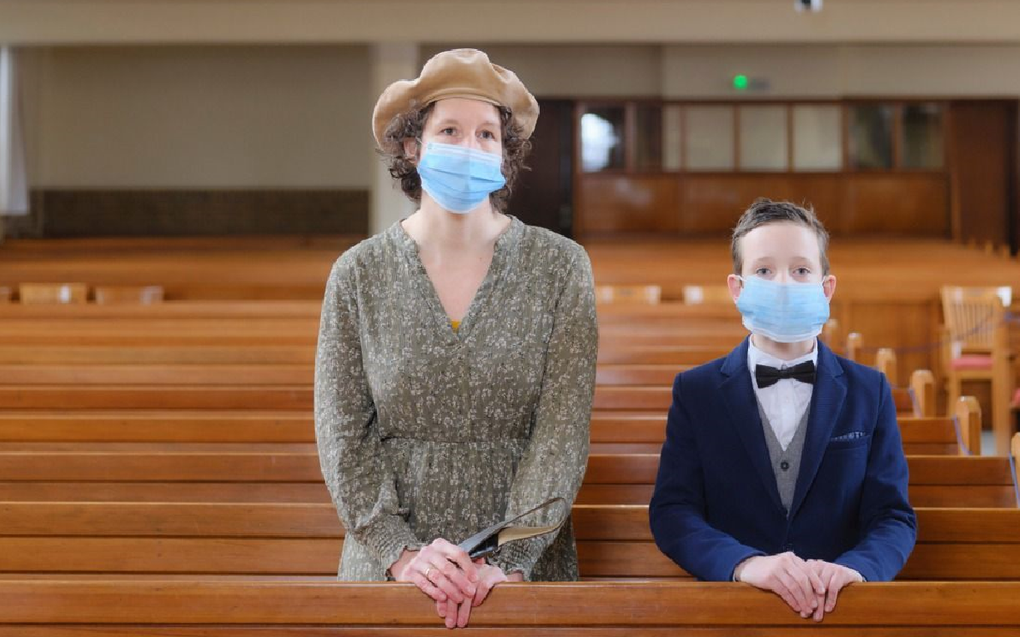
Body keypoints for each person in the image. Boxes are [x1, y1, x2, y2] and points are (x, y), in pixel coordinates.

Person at [314, 48, 598, 630]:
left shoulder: (560, 267)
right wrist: (403, 553)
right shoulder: (358, 274)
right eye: (450, 130)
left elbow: (561, 429)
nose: (469, 147)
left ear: (504, 153)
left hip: (524, 570)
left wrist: (512, 561)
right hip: (390, 568)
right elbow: (343, 434)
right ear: (413, 146)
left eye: (486, 134)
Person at [649, 198, 916, 622]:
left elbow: (893, 514)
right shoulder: (696, 392)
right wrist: (745, 564)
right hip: (730, 611)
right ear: (737, 289)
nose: (785, 284)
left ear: (826, 288)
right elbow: (673, 512)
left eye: (801, 270)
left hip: (843, 610)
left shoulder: (870, 389)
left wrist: (855, 569)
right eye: (764, 271)